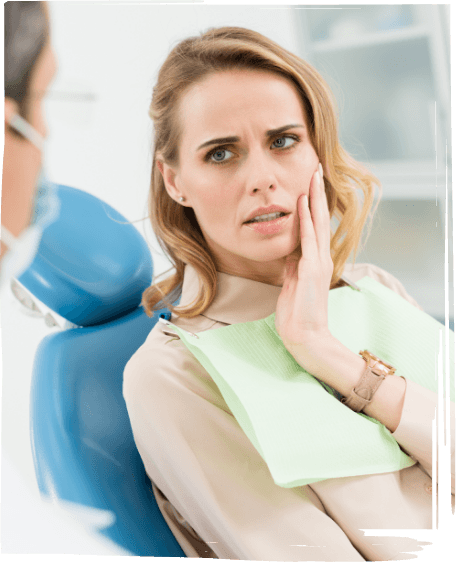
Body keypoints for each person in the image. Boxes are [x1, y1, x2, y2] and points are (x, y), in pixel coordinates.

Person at [123, 26, 455, 561]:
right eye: (221, 153)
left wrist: (332, 357)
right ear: (174, 180)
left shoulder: (377, 290)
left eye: (283, 141)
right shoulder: (175, 375)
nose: (262, 178)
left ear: (317, 153)